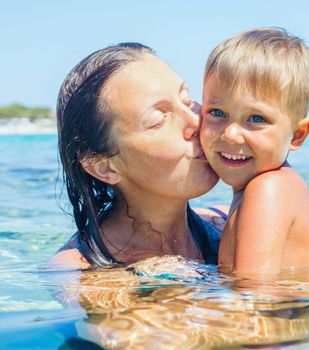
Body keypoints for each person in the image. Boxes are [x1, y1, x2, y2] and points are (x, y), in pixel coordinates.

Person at [51, 42, 227, 269]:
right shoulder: (80, 271)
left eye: (187, 100)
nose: (196, 121)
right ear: (104, 167)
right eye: (158, 120)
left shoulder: (233, 222)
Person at [200, 27, 309, 279]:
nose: (231, 134)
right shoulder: (273, 185)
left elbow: (253, 293)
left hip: (278, 316)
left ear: (298, 135)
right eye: (217, 113)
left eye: (256, 118)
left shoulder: (268, 190)